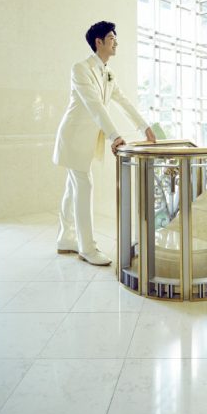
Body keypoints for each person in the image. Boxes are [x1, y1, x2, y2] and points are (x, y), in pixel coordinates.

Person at [53, 21, 156, 265]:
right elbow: (94, 105)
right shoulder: (81, 69)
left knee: (72, 188)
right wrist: (115, 136)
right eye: (111, 38)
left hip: (85, 141)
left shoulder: (108, 73)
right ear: (98, 42)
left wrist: (144, 127)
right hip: (73, 138)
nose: (116, 42)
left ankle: (65, 238)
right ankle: (87, 248)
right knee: (83, 186)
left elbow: (123, 101)